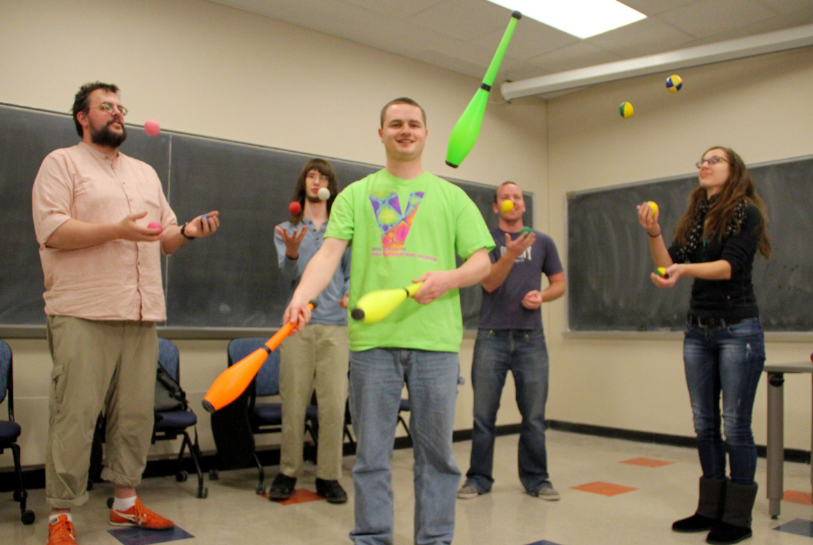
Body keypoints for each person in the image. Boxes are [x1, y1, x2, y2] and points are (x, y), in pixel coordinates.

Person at [282, 97, 493, 545]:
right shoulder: (356, 196)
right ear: (381, 133)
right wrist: (301, 296)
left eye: (414, 123)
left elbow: (482, 263)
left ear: (426, 133)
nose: (405, 130)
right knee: (371, 458)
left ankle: (434, 540)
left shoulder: (451, 197)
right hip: (372, 343)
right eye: (395, 123)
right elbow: (328, 254)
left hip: (435, 343)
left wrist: (448, 278)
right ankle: (372, 538)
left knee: (437, 459)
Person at [32, 82, 219, 545]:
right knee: (74, 416)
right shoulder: (61, 163)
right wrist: (116, 229)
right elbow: (52, 229)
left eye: (121, 108)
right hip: (82, 311)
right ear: (82, 116)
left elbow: (165, 237)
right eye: (106, 107)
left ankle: (125, 505)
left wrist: (189, 232)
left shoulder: (145, 173)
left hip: (140, 312)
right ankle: (62, 514)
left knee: (134, 417)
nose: (117, 114)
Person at [637, 147, 770, 545]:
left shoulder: (746, 211)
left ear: (734, 171)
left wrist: (681, 270)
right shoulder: (696, 216)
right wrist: (654, 234)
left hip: (737, 331)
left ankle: (737, 518)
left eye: (715, 160)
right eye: (702, 161)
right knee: (705, 424)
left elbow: (729, 266)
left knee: (736, 426)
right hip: (698, 332)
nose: (705, 165)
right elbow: (667, 263)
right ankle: (709, 509)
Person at [457, 181, 566, 501]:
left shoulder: (542, 241)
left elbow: (559, 283)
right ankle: (478, 478)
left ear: (523, 205)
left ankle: (537, 479)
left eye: (517, 197)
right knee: (483, 415)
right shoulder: (484, 242)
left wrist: (543, 296)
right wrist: (512, 253)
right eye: (505, 197)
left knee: (533, 415)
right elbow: (489, 283)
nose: (512, 201)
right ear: (496, 207)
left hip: (531, 339)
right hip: (492, 338)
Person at [270, 158, 351, 504]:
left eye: (322, 176)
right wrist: (290, 254)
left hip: (336, 326)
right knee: (293, 403)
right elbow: (286, 280)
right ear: (303, 183)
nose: (316, 180)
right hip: (296, 326)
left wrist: (349, 292)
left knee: (333, 405)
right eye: (310, 175)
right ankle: (288, 472)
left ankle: (328, 476)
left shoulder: (343, 229)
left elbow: (350, 271)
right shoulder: (284, 229)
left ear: (330, 185)